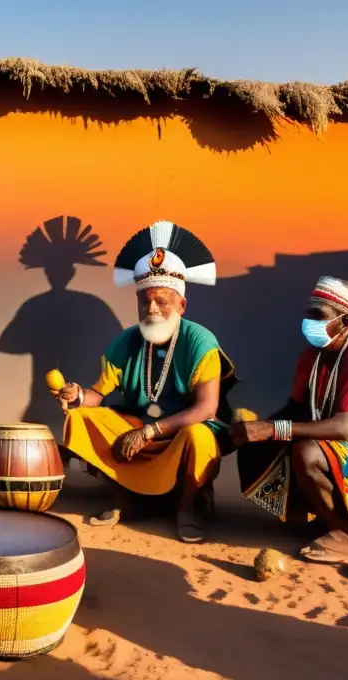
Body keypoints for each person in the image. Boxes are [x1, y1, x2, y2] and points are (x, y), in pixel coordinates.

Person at [53, 221, 235, 542]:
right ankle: (126, 499)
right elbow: (99, 393)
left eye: (162, 301)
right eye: (145, 301)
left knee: (199, 435)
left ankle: (187, 508)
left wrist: (151, 430)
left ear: (181, 305)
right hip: (136, 428)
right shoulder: (125, 342)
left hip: (178, 433)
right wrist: (78, 395)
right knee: (82, 419)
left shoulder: (200, 341)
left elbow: (207, 407)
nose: (152, 309)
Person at [232, 277, 348, 563]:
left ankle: (342, 533)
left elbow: (343, 429)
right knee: (261, 443)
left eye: (318, 316)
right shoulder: (312, 357)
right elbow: (294, 410)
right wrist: (250, 432)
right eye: (308, 314)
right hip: (333, 445)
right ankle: (310, 513)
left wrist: (272, 428)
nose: (309, 323)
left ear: (345, 322)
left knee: (306, 452)